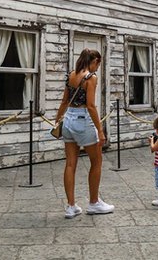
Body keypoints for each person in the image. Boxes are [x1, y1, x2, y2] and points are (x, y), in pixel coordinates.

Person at [54, 48, 114, 218]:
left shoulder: (71, 75)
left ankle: (71, 206)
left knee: (70, 164)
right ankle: (94, 202)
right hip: (83, 120)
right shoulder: (91, 78)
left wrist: (57, 121)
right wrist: (100, 131)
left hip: (68, 119)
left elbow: (65, 101)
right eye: (98, 63)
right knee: (96, 161)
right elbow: (90, 106)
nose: (98, 67)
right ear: (94, 60)